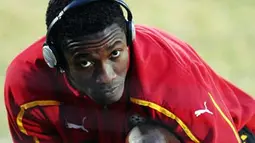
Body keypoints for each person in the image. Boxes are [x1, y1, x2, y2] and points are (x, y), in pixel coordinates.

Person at [4, 0, 255, 143]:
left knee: (147, 140)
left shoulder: (173, 80)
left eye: (115, 55)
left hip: (240, 135)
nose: (107, 76)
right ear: (55, 59)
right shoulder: (27, 86)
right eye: (84, 63)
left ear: (128, 40)